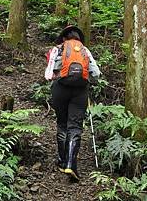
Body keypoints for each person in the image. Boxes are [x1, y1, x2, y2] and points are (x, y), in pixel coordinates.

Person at [45, 24, 101, 181]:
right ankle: (71, 164)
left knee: (62, 123)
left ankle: (62, 161)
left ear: (64, 37)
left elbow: (48, 74)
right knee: (75, 126)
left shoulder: (57, 49)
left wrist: (57, 75)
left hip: (60, 89)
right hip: (80, 91)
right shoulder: (84, 50)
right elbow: (96, 73)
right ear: (78, 38)